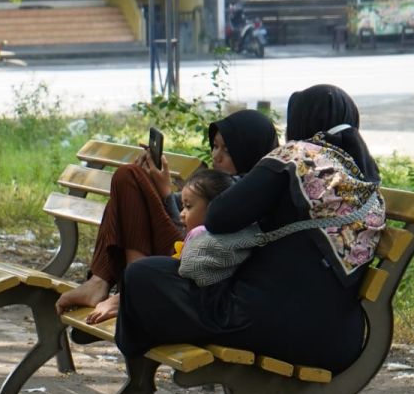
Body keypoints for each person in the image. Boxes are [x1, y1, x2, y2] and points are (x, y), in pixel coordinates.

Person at [115, 84, 385, 374]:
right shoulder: (366, 182)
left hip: (264, 322)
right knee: (151, 278)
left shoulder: (297, 156)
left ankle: (139, 376)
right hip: (338, 340)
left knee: (141, 276)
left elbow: (219, 217)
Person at [56, 109, 279, 323]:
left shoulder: (248, 191)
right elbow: (184, 211)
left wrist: (162, 191)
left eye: (228, 151)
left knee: (129, 176)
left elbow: (197, 232)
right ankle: (103, 282)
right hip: (182, 253)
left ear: (249, 151)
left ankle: (129, 290)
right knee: (130, 179)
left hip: (193, 260)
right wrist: (156, 186)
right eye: (215, 146)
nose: (216, 156)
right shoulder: (223, 181)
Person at [174, 168, 236, 261]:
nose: (181, 214)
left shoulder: (199, 239)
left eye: (188, 206)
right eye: (183, 206)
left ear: (214, 210)